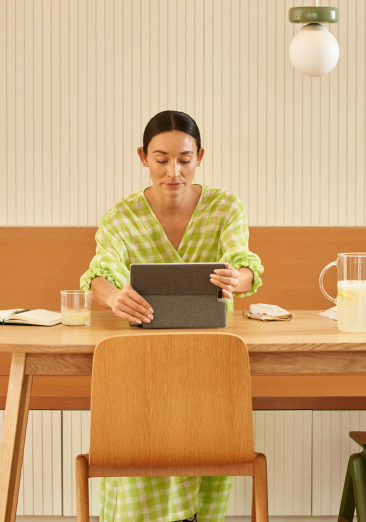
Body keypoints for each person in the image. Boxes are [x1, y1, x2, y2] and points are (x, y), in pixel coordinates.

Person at [80, 110, 263, 521]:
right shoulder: (121, 216)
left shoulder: (226, 208)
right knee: (139, 451)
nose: (173, 171)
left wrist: (239, 279)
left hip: (210, 362)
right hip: (141, 365)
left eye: (184, 159)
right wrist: (113, 298)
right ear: (143, 157)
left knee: (206, 453)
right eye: (161, 159)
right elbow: (99, 275)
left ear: (200, 157)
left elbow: (246, 265)